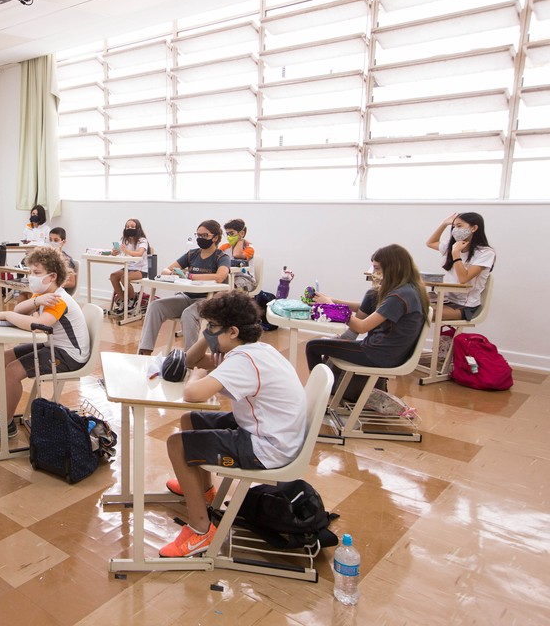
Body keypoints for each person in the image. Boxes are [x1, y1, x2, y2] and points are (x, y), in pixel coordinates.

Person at [160, 291, 306, 557]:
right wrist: (209, 333)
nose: (208, 333)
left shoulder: (244, 360)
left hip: (268, 448)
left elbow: (193, 394)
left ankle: (200, 531)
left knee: (176, 444)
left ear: (234, 331)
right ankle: (203, 490)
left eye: (213, 328)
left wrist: (200, 376)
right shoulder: (253, 350)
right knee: (189, 420)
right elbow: (191, 360)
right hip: (270, 431)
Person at [0, 246, 90, 442]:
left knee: (12, 372)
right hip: (53, 347)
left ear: (52, 276)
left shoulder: (58, 299)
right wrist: (36, 303)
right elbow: (21, 309)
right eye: (30, 272)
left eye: (36, 273)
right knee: (6, 357)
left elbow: (39, 326)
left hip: (69, 356)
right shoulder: (45, 294)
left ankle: (6, 423)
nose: (31, 277)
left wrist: (4, 314)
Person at [305, 244, 429, 372]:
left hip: (379, 354)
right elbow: (366, 308)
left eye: (377, 268)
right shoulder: (408, 290)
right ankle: (349, 336)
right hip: (385, 351)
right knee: (373, 294)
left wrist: (332, 307)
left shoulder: (399, 297)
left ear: (391, 268)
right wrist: (330, 300)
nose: (374, 273)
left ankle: (320, 390)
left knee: (313, 346)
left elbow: (362, 327)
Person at [138, 220, 230, 354]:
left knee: (188, 314)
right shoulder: (192, 254)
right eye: (198, 235)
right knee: (155, 306)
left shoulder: (221, 257)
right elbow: (166, 270)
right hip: (187, 296)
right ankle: (145, 351)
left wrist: (191, 276)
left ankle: (190, 357)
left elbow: (220, 276)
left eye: (204, 236)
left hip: (209, 300)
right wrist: (175, 274)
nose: (200, 238)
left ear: (215, 237)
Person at [426, 212, 495, 321]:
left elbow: (463, 279)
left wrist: (455, 253)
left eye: (459, 226)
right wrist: (444, 224)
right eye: (453, 227)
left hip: (465, 306)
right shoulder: (452, 246)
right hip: (444, 299)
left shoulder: (485, 253)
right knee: (406, 306)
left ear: (474, 228)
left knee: (422, 315)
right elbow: (430, 243)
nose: (455, 230)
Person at [109, 218, 151, 315]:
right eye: (127, 227)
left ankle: (133, 300)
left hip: (141, 269)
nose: (129, 228)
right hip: (129, 267)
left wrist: (126, 251)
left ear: (138, 228)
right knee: (113, 276)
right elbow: (118, 250)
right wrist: (114, 252)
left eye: (132, 226)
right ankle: (124, 300)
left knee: (125, 278)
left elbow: (139, 254)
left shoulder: (142, 240)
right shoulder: (124, 240)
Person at [220, 218, 257, 292]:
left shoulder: (249, 248)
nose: (229, 237)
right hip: (229, 277)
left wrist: (240, 240)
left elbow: (237, 254)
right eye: (227, 234)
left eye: (231, 233)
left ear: (241, 233)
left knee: (229, 289)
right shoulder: (225, 247)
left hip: (246, 279)